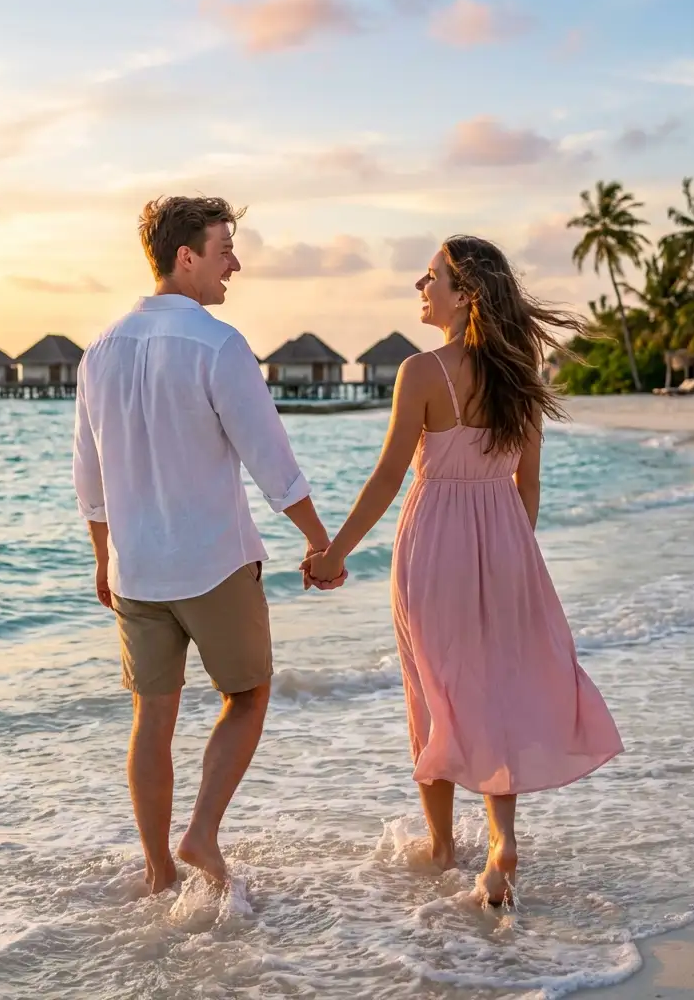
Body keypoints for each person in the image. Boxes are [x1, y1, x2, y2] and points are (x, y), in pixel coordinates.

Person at [306, 235, 623, 905]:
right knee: (497, 693)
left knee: (431, 696)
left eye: (431, 278)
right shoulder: (521, 378)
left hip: (432, 549)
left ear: (465, 293)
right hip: (507, 544)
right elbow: (527, 486)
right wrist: (509, 554)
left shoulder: (424, 371)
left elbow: (390, 475)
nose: (420, 289)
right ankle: (502, 843)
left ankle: (446, 846)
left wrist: (335, 552)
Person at [73, 195, 343, 893]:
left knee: (151, 718)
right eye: (225, 250)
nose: (236, 264)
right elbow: (270, 458)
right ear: (186, 257)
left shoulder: (98, 351)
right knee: (248, 695)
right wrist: (320, 542)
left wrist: (104, 558)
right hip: (215, 563)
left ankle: (159, 872)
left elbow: (90, 475)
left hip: (136, 571)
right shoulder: (219, 346)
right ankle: (200, 835)